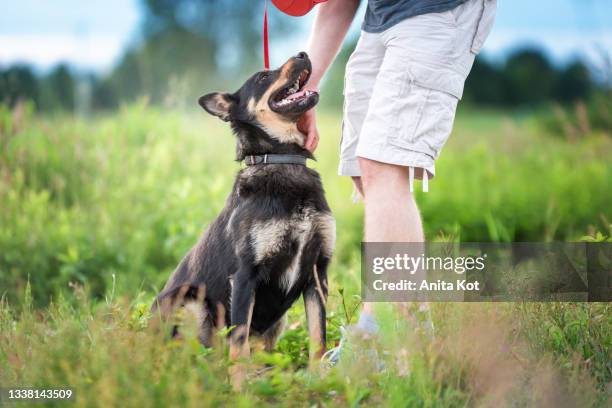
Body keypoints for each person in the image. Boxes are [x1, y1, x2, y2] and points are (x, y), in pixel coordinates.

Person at [297, 0, 497, 362]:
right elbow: (337, 4)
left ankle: (381, 339)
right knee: (364, 168)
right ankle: (412, 338)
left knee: (382, 160)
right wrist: (305, 88)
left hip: (436, 12)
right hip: (381, 20)